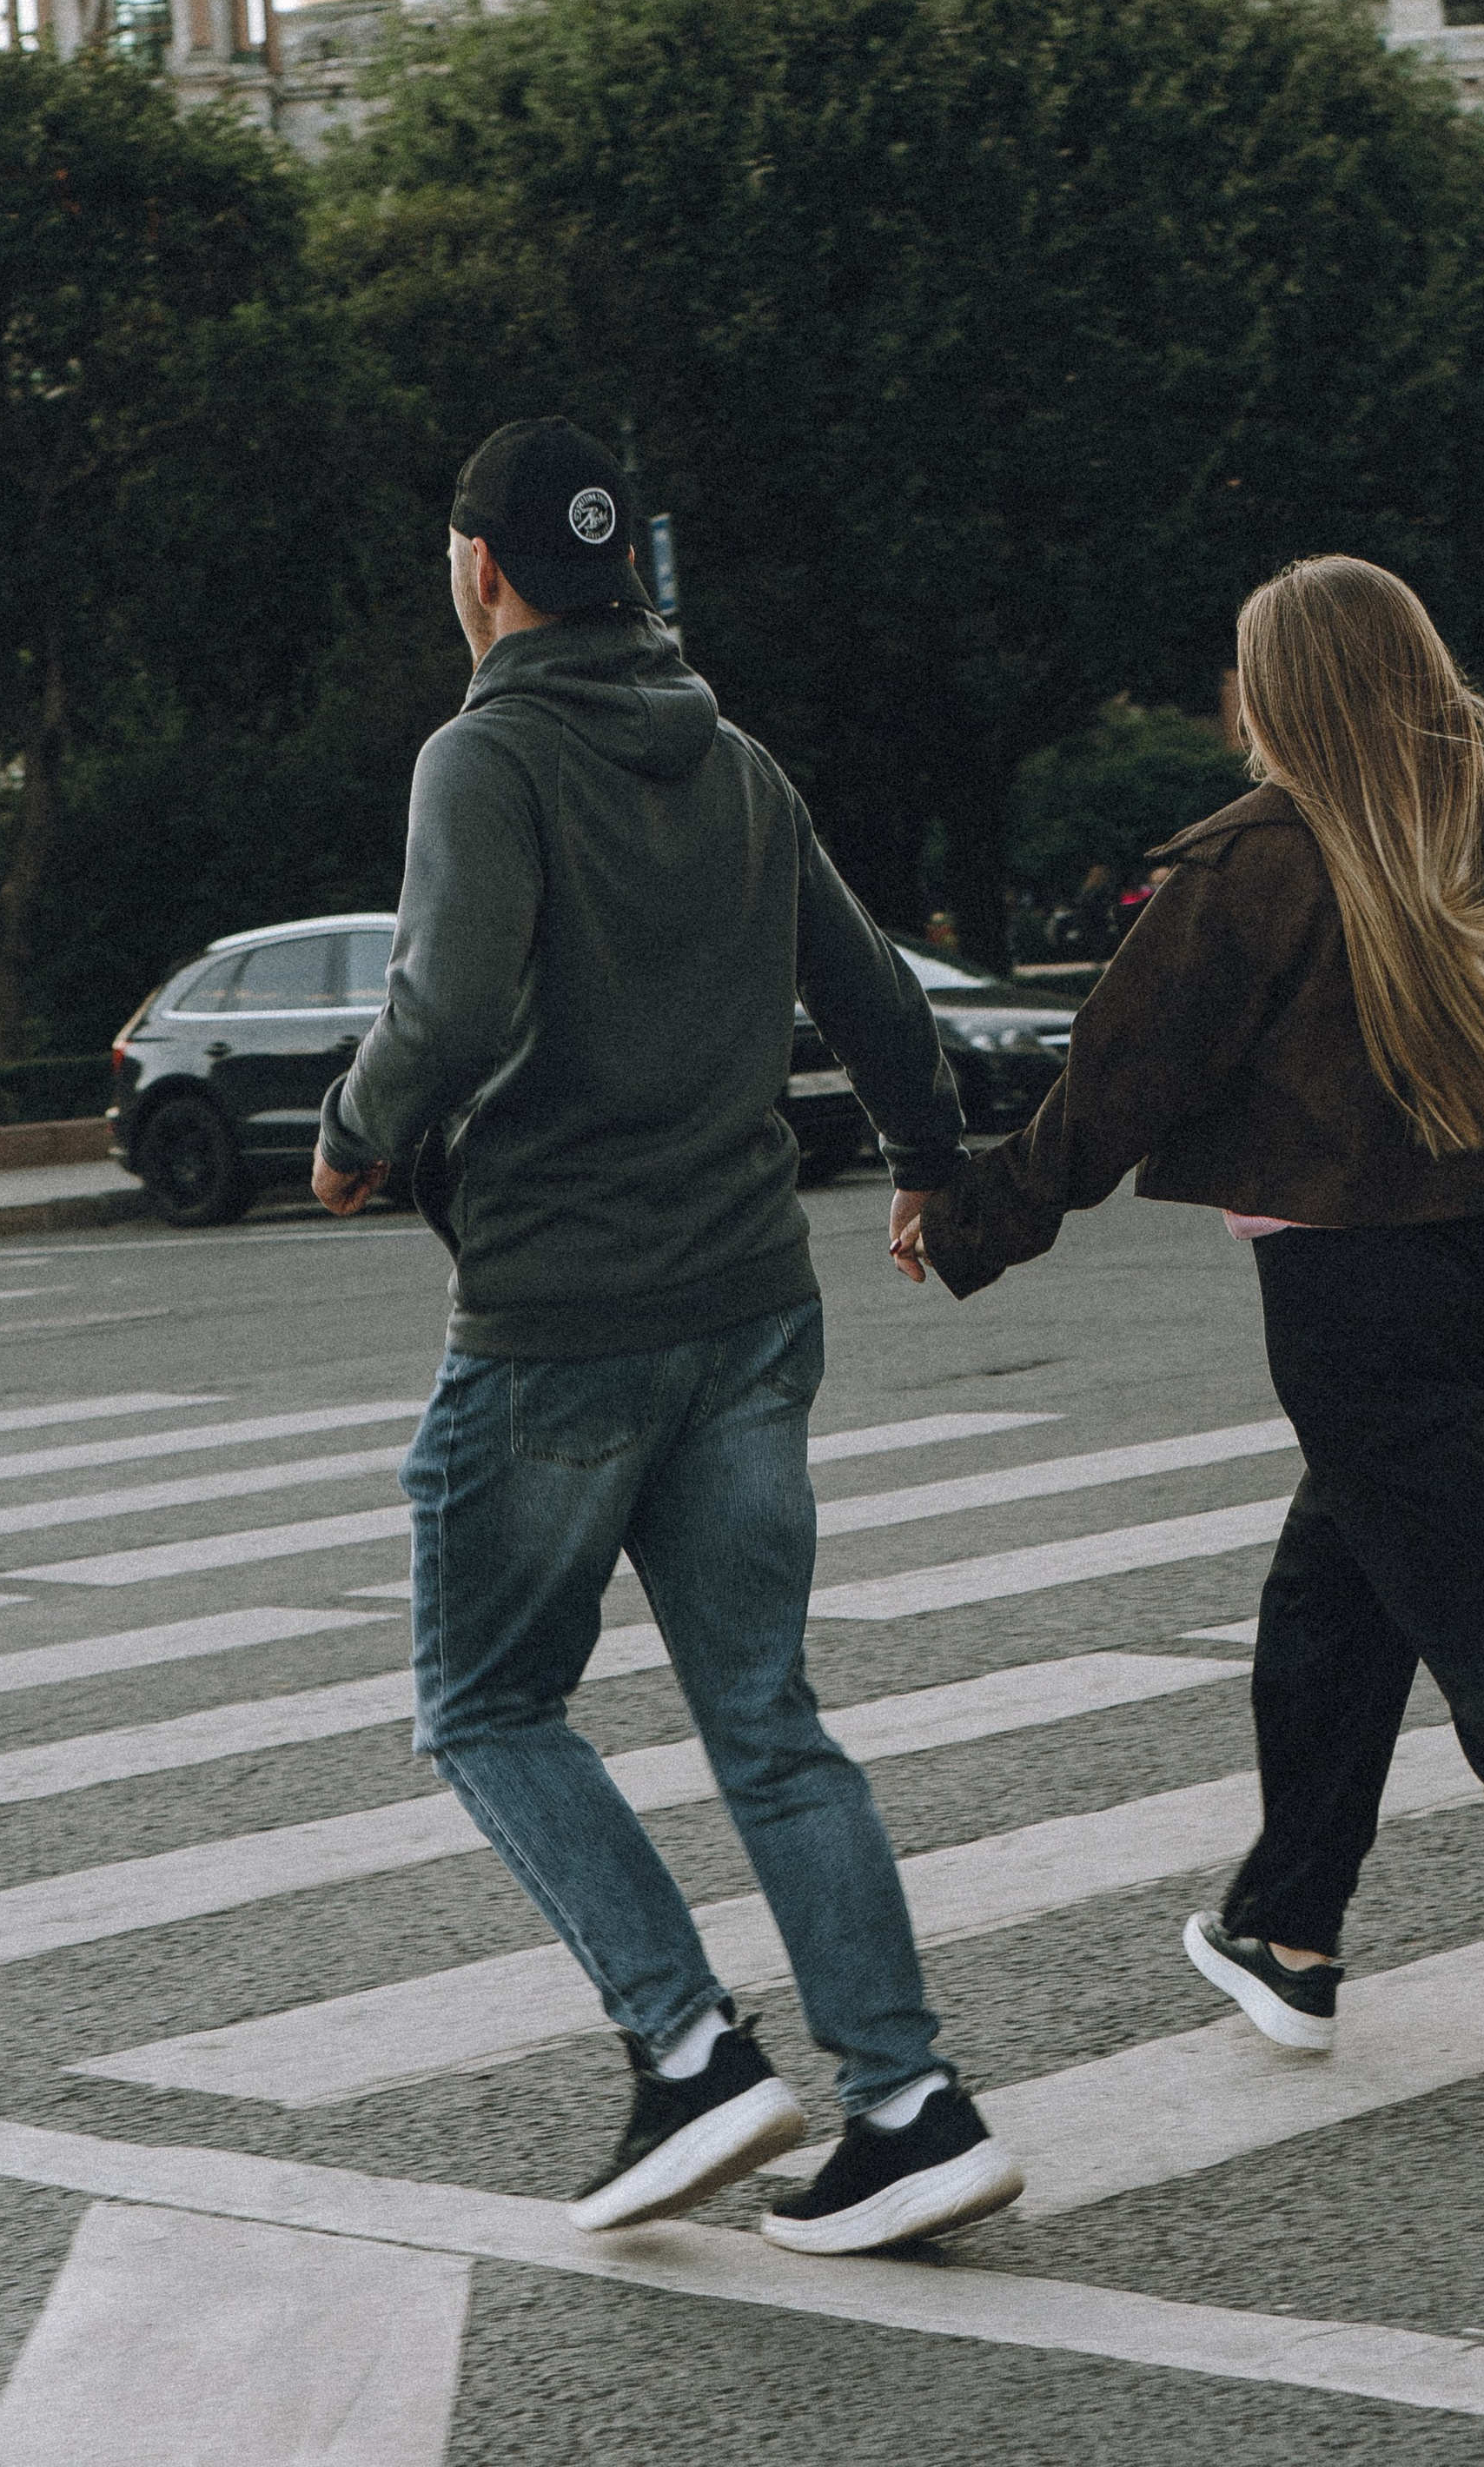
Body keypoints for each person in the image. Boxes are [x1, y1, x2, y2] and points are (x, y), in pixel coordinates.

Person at [904, 556, 1484, 2145]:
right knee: (1339, 1596)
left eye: (1241, 675)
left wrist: (971, 1226)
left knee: (1480, 1628)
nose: (1227, 705)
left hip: (1349, 1309)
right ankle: (1290, 1930)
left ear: (1281, 695)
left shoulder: (1246, 867)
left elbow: (1107, 1088)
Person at [313, 418, 1024, 2252]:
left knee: (484, 1702)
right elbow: (870, 992)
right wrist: (931, 1163)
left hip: (562, 1316)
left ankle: (690, 2050)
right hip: (748, 1306)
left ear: (479, 570)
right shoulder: (734, 761)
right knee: (768, 1721)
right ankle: (907, 2102)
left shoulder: (485, 756)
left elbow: (446, 994)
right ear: (624, 570)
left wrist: (352, 1133)